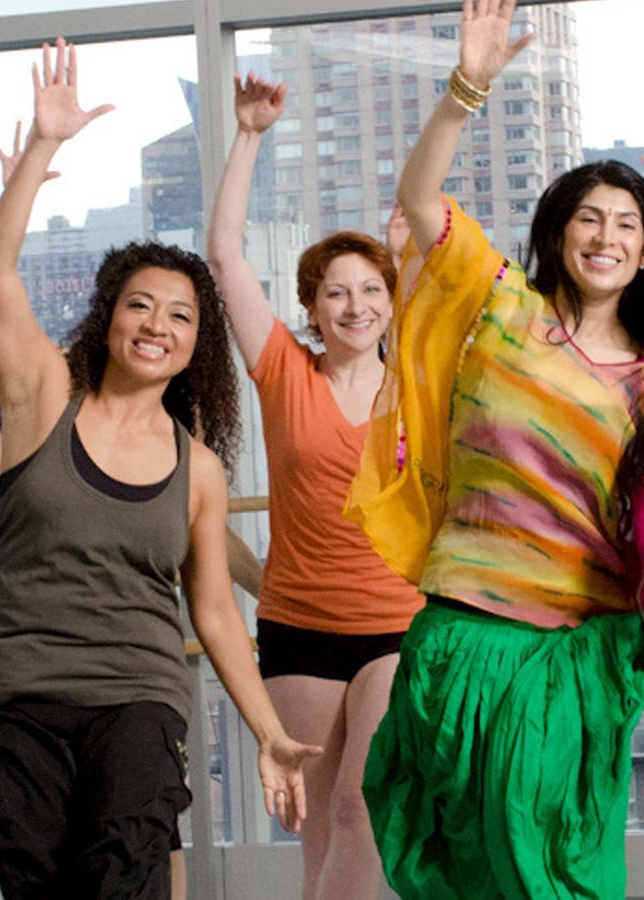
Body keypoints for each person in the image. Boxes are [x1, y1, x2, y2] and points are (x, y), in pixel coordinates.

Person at [348, 2, 644, 896]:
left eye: (628, 227)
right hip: (459, 640)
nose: (606, 238)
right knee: (447, 863)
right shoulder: (497, 305)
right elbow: (420, 201)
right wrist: (468, 88)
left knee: (552, 876)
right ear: (559, 231)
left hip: (567, 661)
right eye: (590, 219)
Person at [0, 38, 319, 899]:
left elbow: (215, 617)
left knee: (124, 879)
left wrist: (267, 731)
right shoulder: (44, 397)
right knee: (40, 887)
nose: (158, 325)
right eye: (140, 306)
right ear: (109, 318)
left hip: (137, 701)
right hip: (15, 698)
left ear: (197, 345)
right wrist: (45, 143)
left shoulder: (196, 469)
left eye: (182, 316)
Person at [204, 71, 421, 900]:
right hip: (297, 628)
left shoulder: (418, 387)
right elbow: (224, 255)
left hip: (399, 626)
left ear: (390, 304)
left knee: (365, 809)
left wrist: (413, 256)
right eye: (337, 292)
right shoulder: (281, 372)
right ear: (312, 305)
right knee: (318, 830)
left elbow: (452, 304)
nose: (356, 304)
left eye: (372, 290)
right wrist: (250, 134)